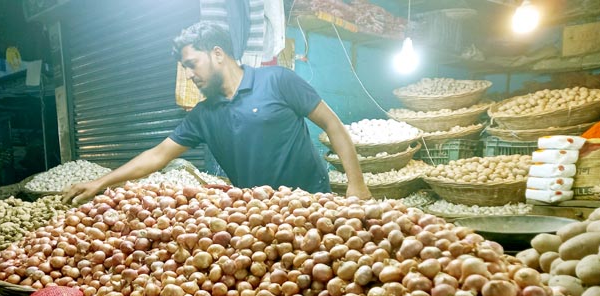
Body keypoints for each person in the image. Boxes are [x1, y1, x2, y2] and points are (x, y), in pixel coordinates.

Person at [64, 21, 370, 204]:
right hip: (260, 214)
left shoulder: (277, 80)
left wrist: (356, 183)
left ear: (218, 54)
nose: (189, 76)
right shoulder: (203, 115)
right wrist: (101, 182)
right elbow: (158, 155)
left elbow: (332, 125)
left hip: (313, 202)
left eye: (192, 65)